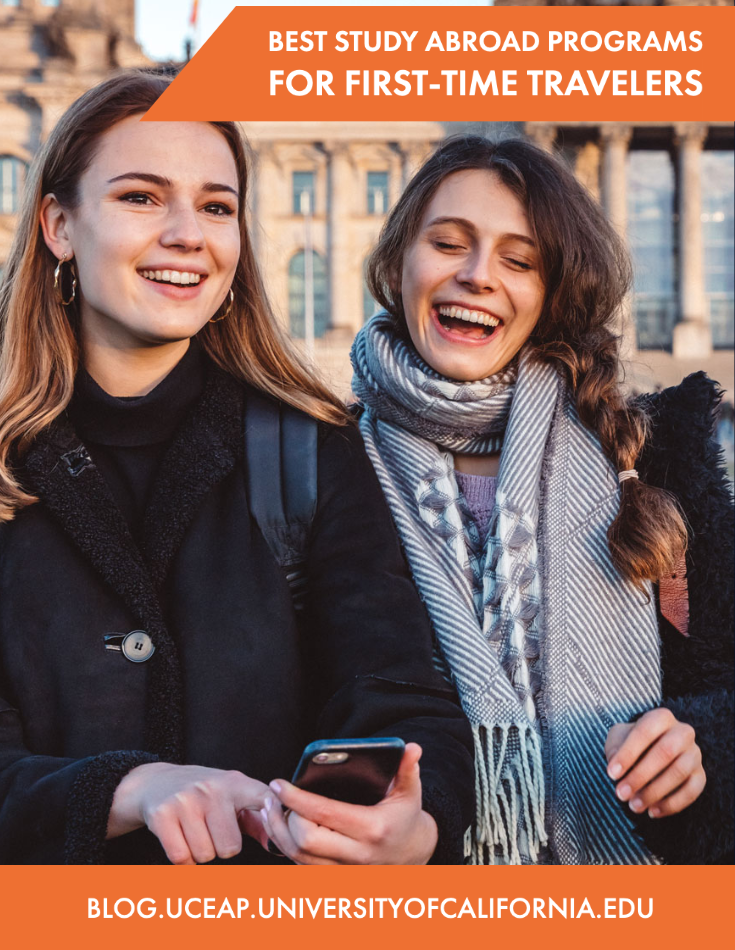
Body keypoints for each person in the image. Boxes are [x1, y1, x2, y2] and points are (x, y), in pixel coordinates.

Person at [0, 71, 474, 865]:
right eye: (141, 198)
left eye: (217, 207)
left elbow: (400, 695)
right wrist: (125, 791)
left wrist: (415, 827)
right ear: (58, 225)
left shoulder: (310, 446)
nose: (190, 234)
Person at [351, 136, 733, 865]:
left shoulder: (657, 453)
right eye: (448, 243)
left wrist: (701, 744)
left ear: (553, 291)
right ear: (397, 262)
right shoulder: (324, 461)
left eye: (517, 260)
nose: (476, 276)